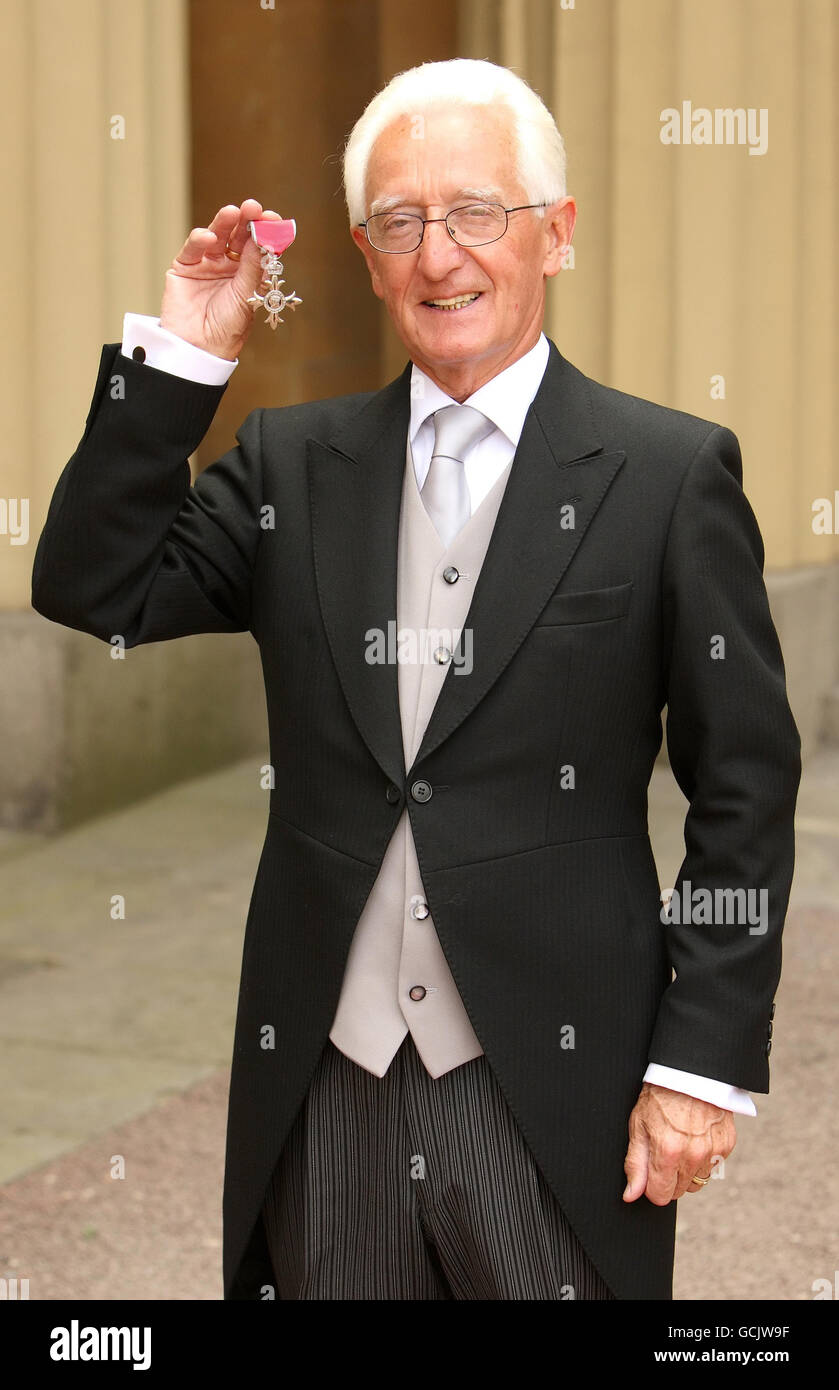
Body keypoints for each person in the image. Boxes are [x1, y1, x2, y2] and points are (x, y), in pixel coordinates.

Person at [31, 58, 800, 1301]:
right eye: (400, 223)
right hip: (327, 1086)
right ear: (365, 254)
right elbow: (93, 586)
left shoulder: (666, 475)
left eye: (475, 213)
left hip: (551, 1086)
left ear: (554, 234)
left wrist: (697, 1064)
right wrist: (179, 359)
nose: (438, 255)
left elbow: (745, 793)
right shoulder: (291, 464)